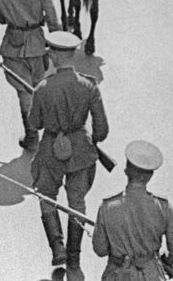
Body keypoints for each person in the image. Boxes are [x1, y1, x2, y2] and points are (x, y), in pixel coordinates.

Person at [29, 30, 108, 280]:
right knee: (77, 204)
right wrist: (88, 141)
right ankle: (74, 259)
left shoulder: (42, 89)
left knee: (46, 197)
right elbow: (102, 130)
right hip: (81, 151)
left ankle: (57, 247)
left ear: (52, 56)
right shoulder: (89, 85)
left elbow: (35, 124)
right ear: (73, 55)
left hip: (50, 151)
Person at [92, 140, 173, 281]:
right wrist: (164, 261)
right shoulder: (163, 206)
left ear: (126, 171)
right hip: (152, 275)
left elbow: (100, 250)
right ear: (150, 176)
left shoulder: (107, 207)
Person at [0, 0, 60, 150]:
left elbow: (0, 19)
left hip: (13, 49)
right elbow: (53, 23)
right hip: (37, 47)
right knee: (42, 90)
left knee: (24, 93)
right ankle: (52, 133)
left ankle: (32, 137)